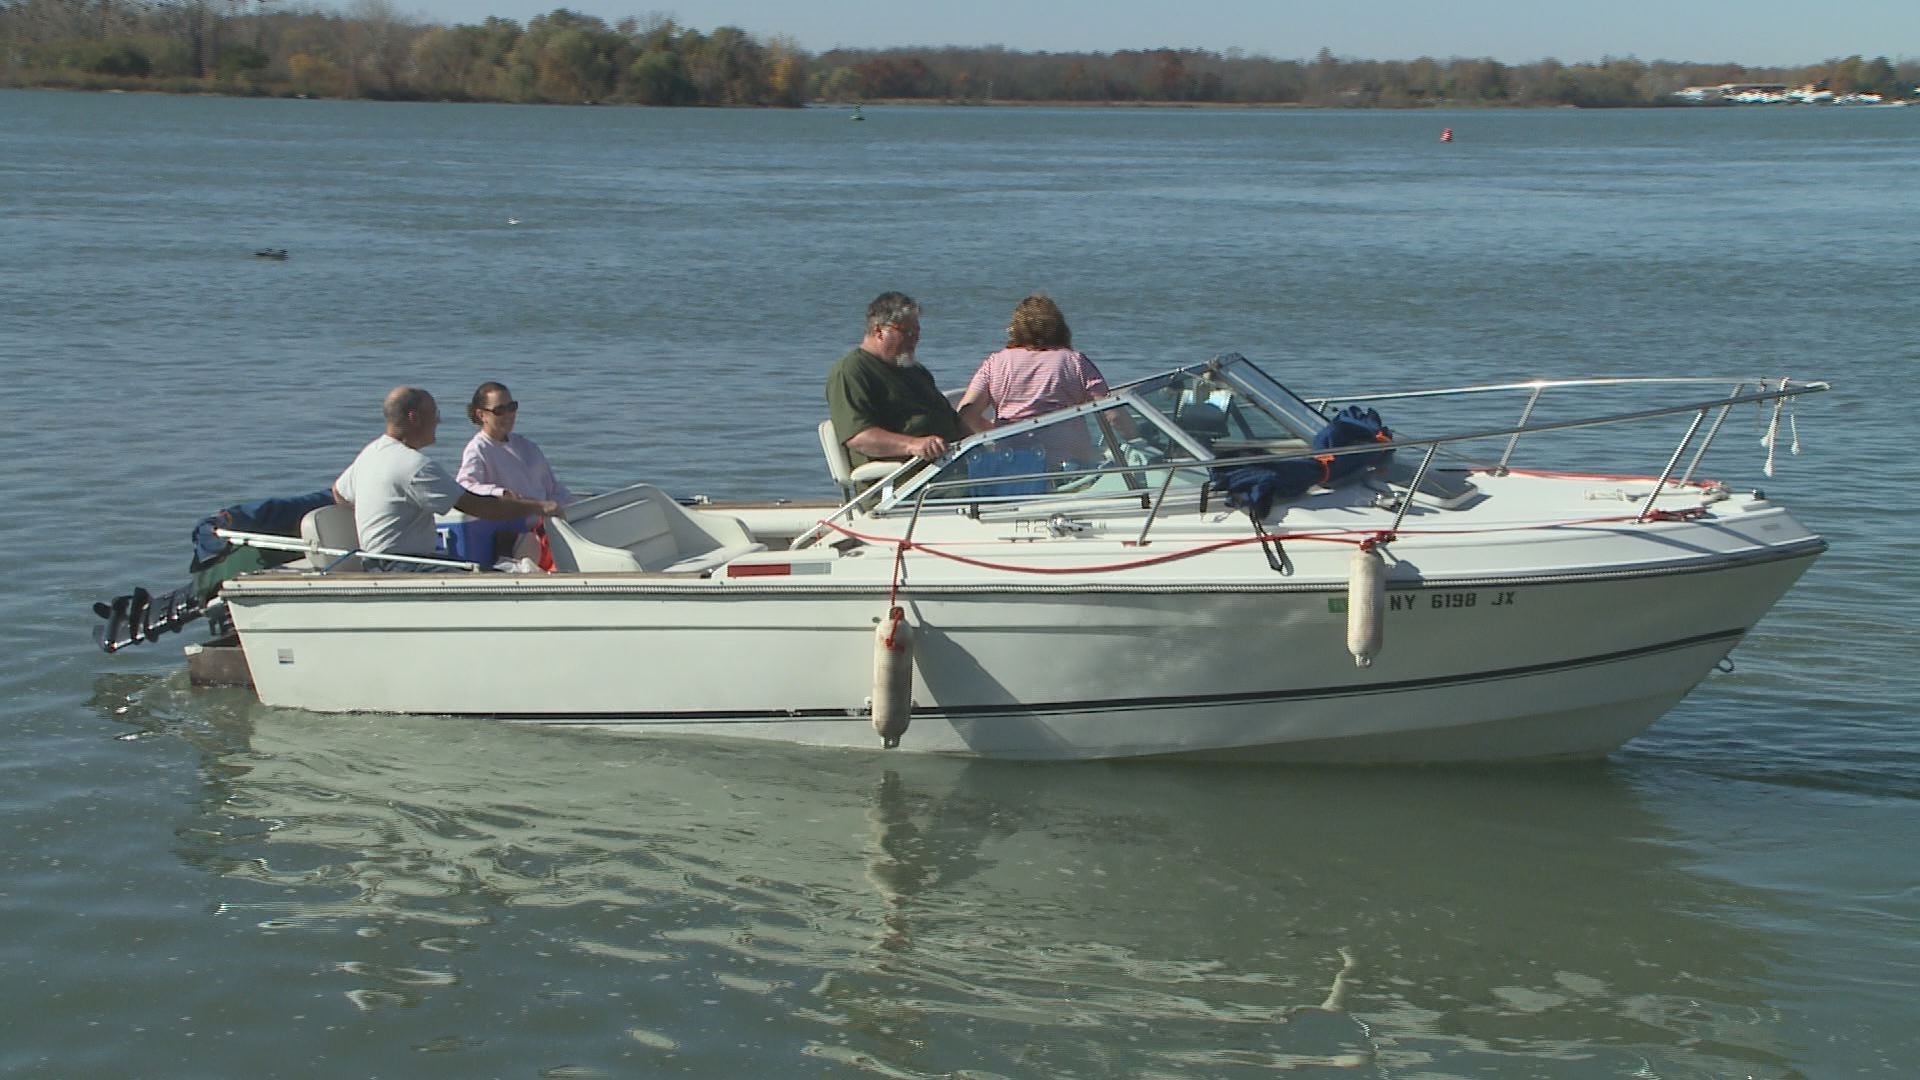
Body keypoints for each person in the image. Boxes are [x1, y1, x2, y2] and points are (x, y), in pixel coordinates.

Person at [333, 386, 563, 570]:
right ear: (414, 418)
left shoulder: (370, 453)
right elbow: (479, 507)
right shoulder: (415, 466)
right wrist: (538, 507)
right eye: (434, 414)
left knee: (479, 570)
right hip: (402, 564)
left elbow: (338, 493)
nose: (438, 422)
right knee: (483, 579)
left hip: (375, 561)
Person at [825, 291, 963, 468]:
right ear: (879, 331)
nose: (914, 340)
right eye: (907, 332)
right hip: (907, 474)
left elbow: (955, 422)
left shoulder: (916, 371)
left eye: (917, 333)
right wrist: (913, 445)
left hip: (951, 462)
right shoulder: (851, 371)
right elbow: (858, 437)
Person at [956, 293, 1110, 432]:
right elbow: (1111, 414)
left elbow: (966, 415)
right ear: (1060, 328)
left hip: (1012, 452)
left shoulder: (995, 364)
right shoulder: (1075, 362)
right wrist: (1126, 435)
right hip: (1069, 453)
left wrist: (995, 432)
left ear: (1015, 329)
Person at [456, 381, 573, 509]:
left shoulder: (527, 446)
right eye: (499, 410)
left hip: (544, 517)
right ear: (481, 415)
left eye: (511, 407)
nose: (508, 415)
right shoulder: (478, 449)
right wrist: (500, 493)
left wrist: (562, 506)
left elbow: (553, 488)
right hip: (512, 519)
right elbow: (465, 487)